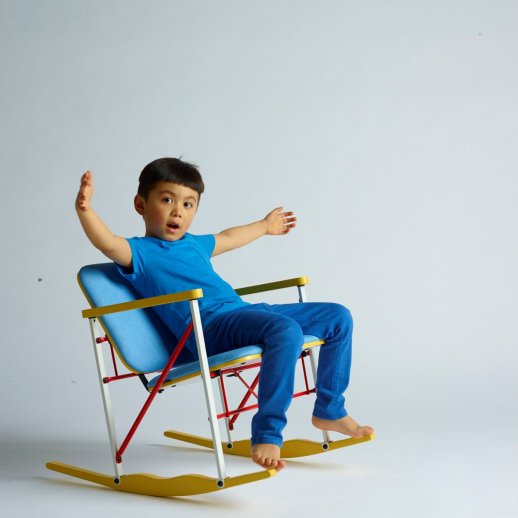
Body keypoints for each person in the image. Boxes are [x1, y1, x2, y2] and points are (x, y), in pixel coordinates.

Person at [75, 157, 374, 471]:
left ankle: (330, 409)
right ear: (140, 204)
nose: (178, 211)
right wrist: (86, 211)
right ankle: (267, 433)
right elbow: (107, 243)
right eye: (167, 200)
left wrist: (264, 226)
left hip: (243, 313)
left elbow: (229, 237)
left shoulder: (194, 244)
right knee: (285, 330)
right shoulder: (139, 253)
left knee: (337, 317)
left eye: (188, 204)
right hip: (210, 328)